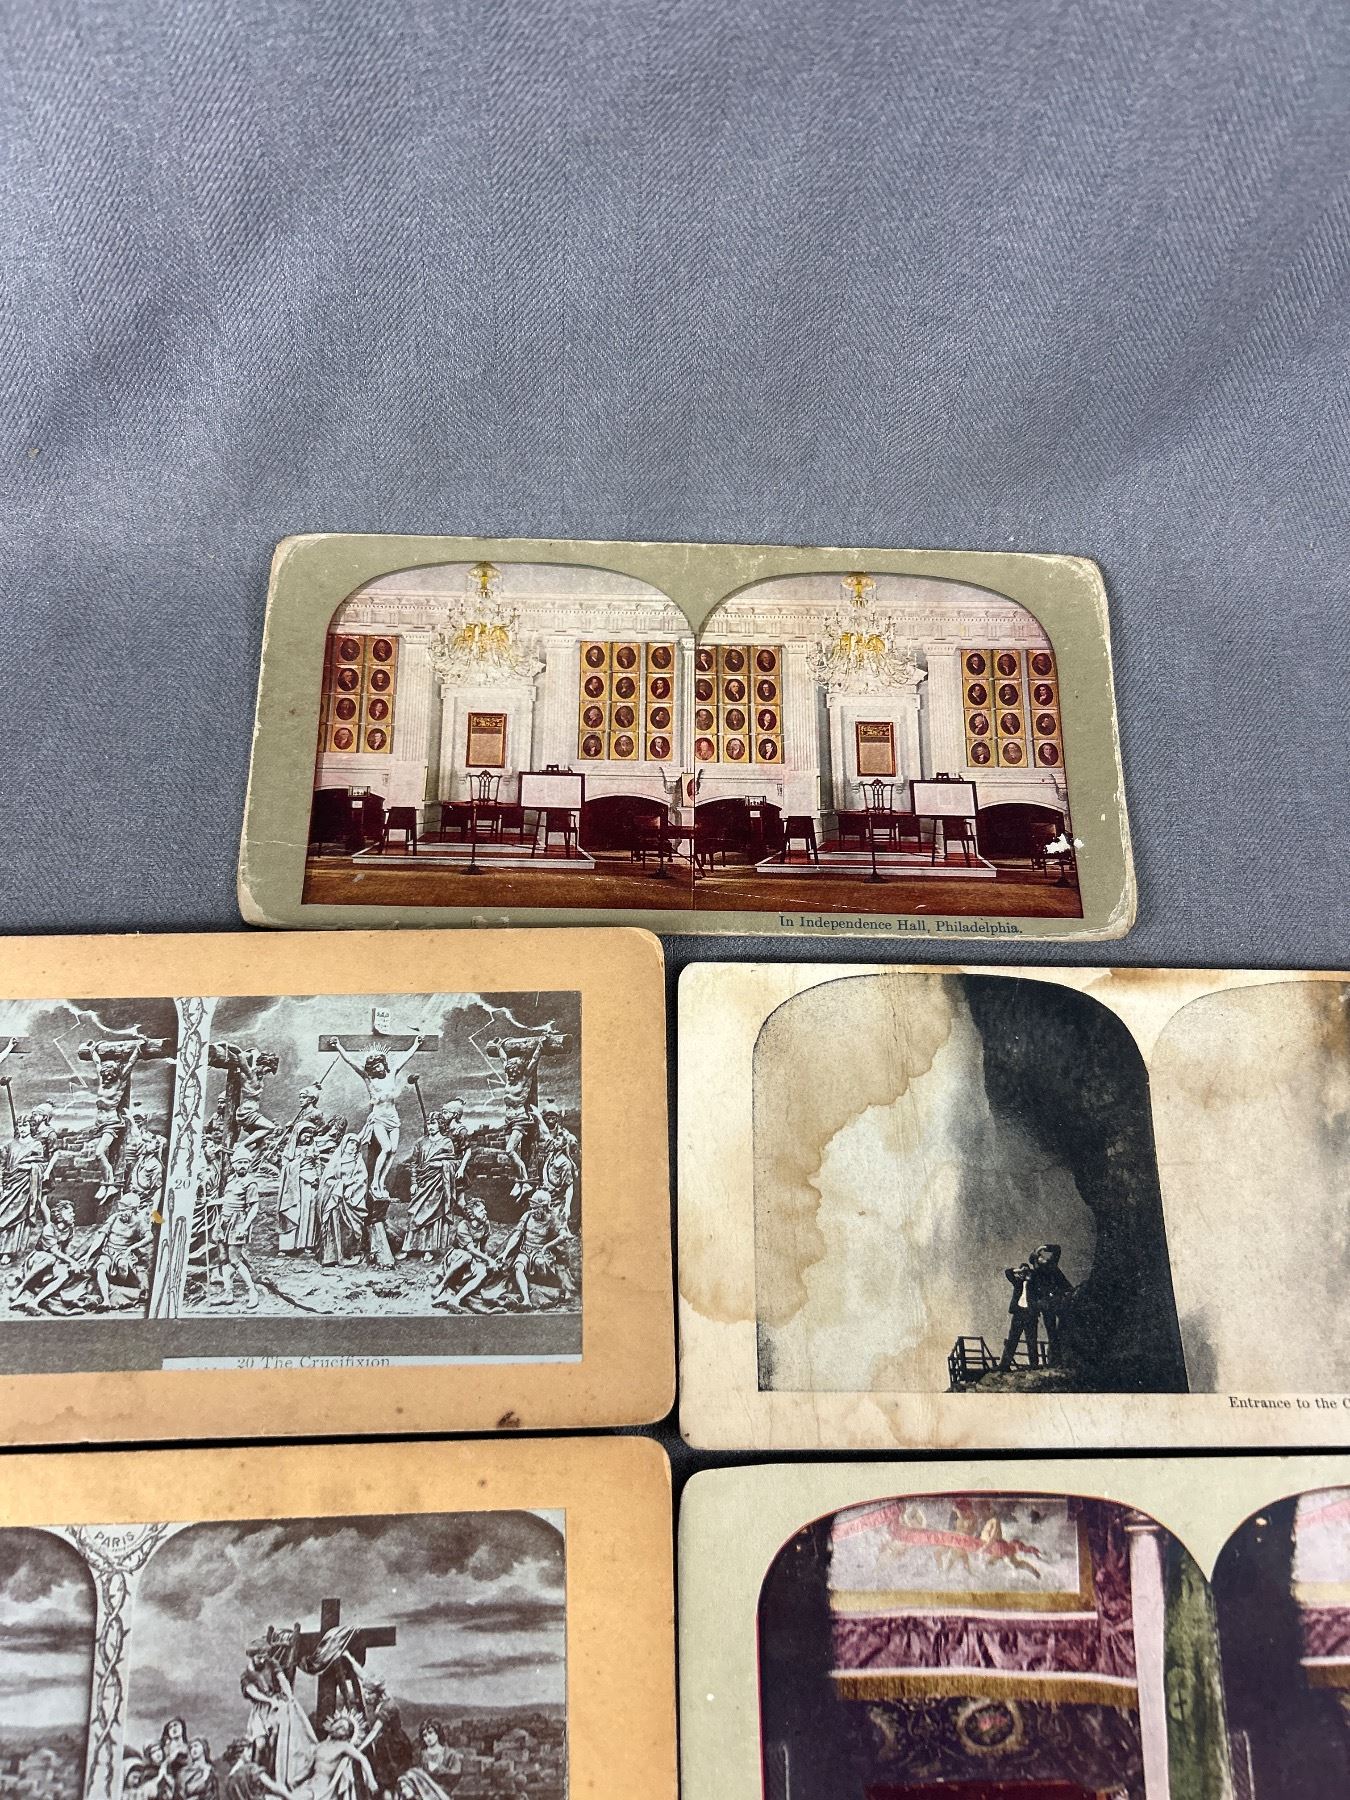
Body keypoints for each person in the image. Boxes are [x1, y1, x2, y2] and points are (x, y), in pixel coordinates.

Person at [332, 1036, 425, 1201]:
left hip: (393, 1118)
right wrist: (338, 1046)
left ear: (384, 1063)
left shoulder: (392, 1074)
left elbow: (405, 1058)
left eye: (380, 1064)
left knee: (393, 1151)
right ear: (371, 1069)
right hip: (379, 1118)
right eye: (374, 1066)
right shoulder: (369, 1079)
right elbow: (351, 1061)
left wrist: (416, 1045)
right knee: (386, 1148)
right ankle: (374, 1183)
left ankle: (381, 1182)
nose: (378, 1068)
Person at [401, 1107, 468, 1260]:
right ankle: (408, 1247)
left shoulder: (446, 1142)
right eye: (428, 1123)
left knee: (434, 1216)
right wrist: (413, 1182)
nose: (430, 1126)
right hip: (423, 1182)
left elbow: (454, 1162)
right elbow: (414, 1164)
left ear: (440, 1125)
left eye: (433, 1123)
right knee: (415, 1213)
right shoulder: (420, 1143)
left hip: (438, 1184)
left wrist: (441, 1164)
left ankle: (429, 1249)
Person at [499, 1190, 576, 1310]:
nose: (533, 1211)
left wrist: (547, 1246)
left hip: (541, 1251)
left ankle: (552, 1289)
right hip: (525, 1250)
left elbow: (563, 1235)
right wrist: (505, 1253)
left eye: (536, 1208)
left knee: (540, 1264)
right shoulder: (527, 1216)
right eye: (532, 1207)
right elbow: (516, 1235)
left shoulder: (552, 1219)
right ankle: (526, 1300)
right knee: (518, 1266)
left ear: (544, 1207)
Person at [9, 1197, 82, 1312]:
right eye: (69, 1213)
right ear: (59, 1216)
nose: (73, 1215)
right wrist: (71, 1261)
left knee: (64, 1275)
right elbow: (54, 1251)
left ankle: (35, 1302)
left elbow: (64, 1249)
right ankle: (21, 1286)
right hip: (39, 1259)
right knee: (50, 1259)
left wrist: (67, 1263)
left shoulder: (70, 1230)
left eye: (73, 1212)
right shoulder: (49, 1229)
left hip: (55, 1260)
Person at [83, 1191, 152, 1309]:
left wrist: (131, 1248)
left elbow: (149, 1237)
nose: (121, 1213)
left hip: (124, 1253)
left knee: (123, 1266)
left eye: (124, 1211)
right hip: (108, 1252)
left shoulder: (139, 1222)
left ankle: (119, 1291)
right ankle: (106, 1301)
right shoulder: (114, 1218)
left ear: (133, 1210)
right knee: (101, 1267)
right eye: (120, 1210)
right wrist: (88, 1254)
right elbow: (101, 1236)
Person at [430, 1197, 498, 1312]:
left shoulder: (485, 1224)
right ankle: (443, 1284)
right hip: (457, 1257)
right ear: (472, 1214)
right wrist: (488, 1259)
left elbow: (482, 1247)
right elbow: (470, 1249)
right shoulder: (463, 1225)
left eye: (484, 1209)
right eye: (481, 1210)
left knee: (482, 1271)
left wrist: (485, 1261)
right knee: (467, 1256)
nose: (485, 1212)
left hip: (473, 1258)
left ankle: (456, 1299)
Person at [216, 1148, 262, 1309]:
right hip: (223, 1221)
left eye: (245, 1162)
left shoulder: (250, 1183)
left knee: (235, 1260)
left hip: (238, 1223)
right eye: (239, 1162)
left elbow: (254, 1207)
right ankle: (228, 1293)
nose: (242, 1165)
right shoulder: (230, 1180)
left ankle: (253, 1291)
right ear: (233, 1164)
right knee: (223, 1258)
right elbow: (227, 1198)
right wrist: (213, 1202)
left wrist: (244, 1227)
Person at [355, 1674, 413, 1798]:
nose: (366, 1696)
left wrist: (358, 1749)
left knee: (393, 1781)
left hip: (395, 1746)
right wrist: (351, 1662)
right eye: (365, 1693)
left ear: (377, 1693)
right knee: (385, 1783)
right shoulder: (380, 1699)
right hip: (385, 1745)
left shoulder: (388, 1706)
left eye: (368, 1693)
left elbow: (374, 1732)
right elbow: (365, 1677)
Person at [317, 1134, 369, 1267]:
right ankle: (333, 1256)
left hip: (353, 1199)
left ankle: (349, 1253)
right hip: (337, 1199)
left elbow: (362, 1179)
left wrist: (352, 1189)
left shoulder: (358, 1162)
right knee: (336, 1224)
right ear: (344, 1145)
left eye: (356, 1144)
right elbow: (328, 1181)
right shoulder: (336, 1161)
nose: (353, 1147)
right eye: (351, 1143)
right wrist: (342, 1184)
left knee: (354, 1228)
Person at [0, 1114, 45, 1264]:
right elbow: (2, 1165)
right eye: (20, 1126)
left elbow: (41, 1165)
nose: (22, 1129)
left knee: (16, 1218)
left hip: (24, 1186)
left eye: (25, 1125)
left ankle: (7, 1252)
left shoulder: (36, 1145)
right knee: (3, 1215)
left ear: (31, 1127)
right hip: (10, 1184)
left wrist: (31, 1167)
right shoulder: (10, 1145)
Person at [277, 1121, 322, 1256]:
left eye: (310, 1137)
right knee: (294, 1211)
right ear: (298, 1135)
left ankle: (306, 1244)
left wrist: (317, 1177)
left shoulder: (313, 1149)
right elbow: (285, 1167)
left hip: (310, 1184)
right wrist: (298, 1162)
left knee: (308, 1213)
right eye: (305, 1136)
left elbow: (318, 1165)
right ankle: (287, 1246)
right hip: (294, 1184)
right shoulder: (290, 1150)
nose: (307, 1140)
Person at [1030, 1243, 1073, 1364]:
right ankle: (1055, 1361)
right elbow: (1034, 1294)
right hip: (1048, 1305)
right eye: (1039, 1256)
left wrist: (1043, 1247)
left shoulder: (1051, 1264)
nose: (1043, 1257)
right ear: (1035, 1262)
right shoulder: (1035, 1275)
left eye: (1042, 1255)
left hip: (1060, 1300)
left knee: (1066, 1327)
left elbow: (1057, 1249)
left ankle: (1066, 1358)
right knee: (1052, 1334)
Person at [998, 1261, 1040, 1373]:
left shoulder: (1034, 1283)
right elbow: (1008, 1272)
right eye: (1022, 1272)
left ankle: (1034, 1365)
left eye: (1026, 1271)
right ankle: (1004, 1365)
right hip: (1018, 1313)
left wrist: (1029, 1274)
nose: (1024, 1273)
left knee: (1032, 1340)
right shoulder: (1017, 1282)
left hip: (1030, 1314)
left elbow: (1038, 1275)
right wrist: (1019, 1270)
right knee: (1012, 1340)